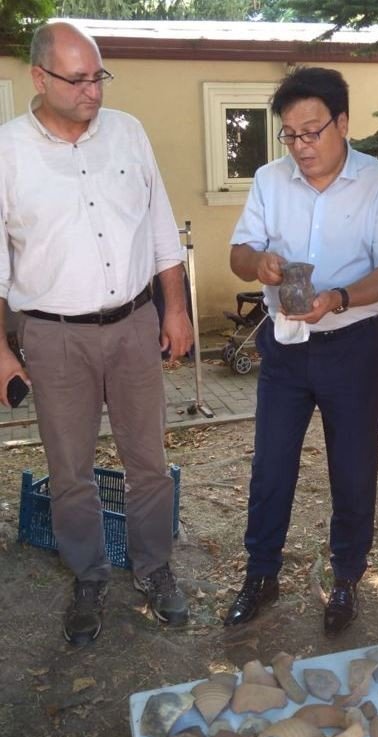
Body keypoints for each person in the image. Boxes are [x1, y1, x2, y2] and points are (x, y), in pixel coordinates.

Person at [0, 22, 194, 646]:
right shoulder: (7, 152)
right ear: (40, 78)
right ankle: (88, 575)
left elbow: (161, 228)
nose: (93, 91)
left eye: (98, 76)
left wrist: (176, 309)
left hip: (135, 324)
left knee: (149, 462)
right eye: (78, 79)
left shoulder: (128, 132)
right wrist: (2, 352)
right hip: (54, 336)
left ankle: (154, 568)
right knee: (70, 470)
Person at [223, 67, 378, 635]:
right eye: (290, 134)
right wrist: (258, 263)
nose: (301, 146)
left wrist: (338, 298)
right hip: (285, 347)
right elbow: (238, 252)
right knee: (271, 465)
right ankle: (261, 573)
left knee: (352, 469)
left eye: (312, 132)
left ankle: (347, 577)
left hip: (353, 347)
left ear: (342, 123)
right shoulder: (269, 179)